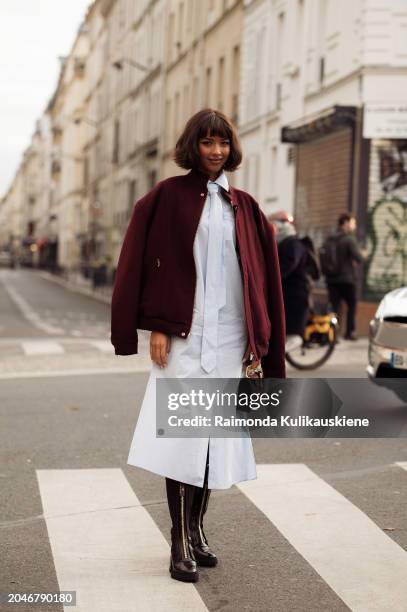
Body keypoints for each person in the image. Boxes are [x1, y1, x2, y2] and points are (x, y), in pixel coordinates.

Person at [110, 109, 286, 583]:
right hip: (184, 338)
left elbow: (263, 281)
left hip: (230, 338)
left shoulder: (245, 206)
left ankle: (198, 528)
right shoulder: (165, 197)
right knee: (184, 437)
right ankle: (179, 540)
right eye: (207, 142)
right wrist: (157, 326)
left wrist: (260, 341)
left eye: (223, 143)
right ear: (193, 146)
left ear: (231, 148)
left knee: (213, 438)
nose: (215, 151)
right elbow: (142, 262)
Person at [269, 211, 320, 352]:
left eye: (274, 226)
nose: (273, 230)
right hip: (287, 293)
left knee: (294, 333)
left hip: (296, 295)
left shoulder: (293, 243)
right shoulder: (282, 243)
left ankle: (278, 357)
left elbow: (287, 266)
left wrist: (270, 278)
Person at [322, 213, 365, 340]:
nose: (354, 225)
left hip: (331, 280)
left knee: (334, 307)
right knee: (352, 305)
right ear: (345, 223)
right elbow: (359, 257)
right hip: (347, 280)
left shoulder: (329, 239)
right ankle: (349, 332)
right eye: (353, 223)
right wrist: (362, 255)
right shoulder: (349, 239)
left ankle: (331, 334)